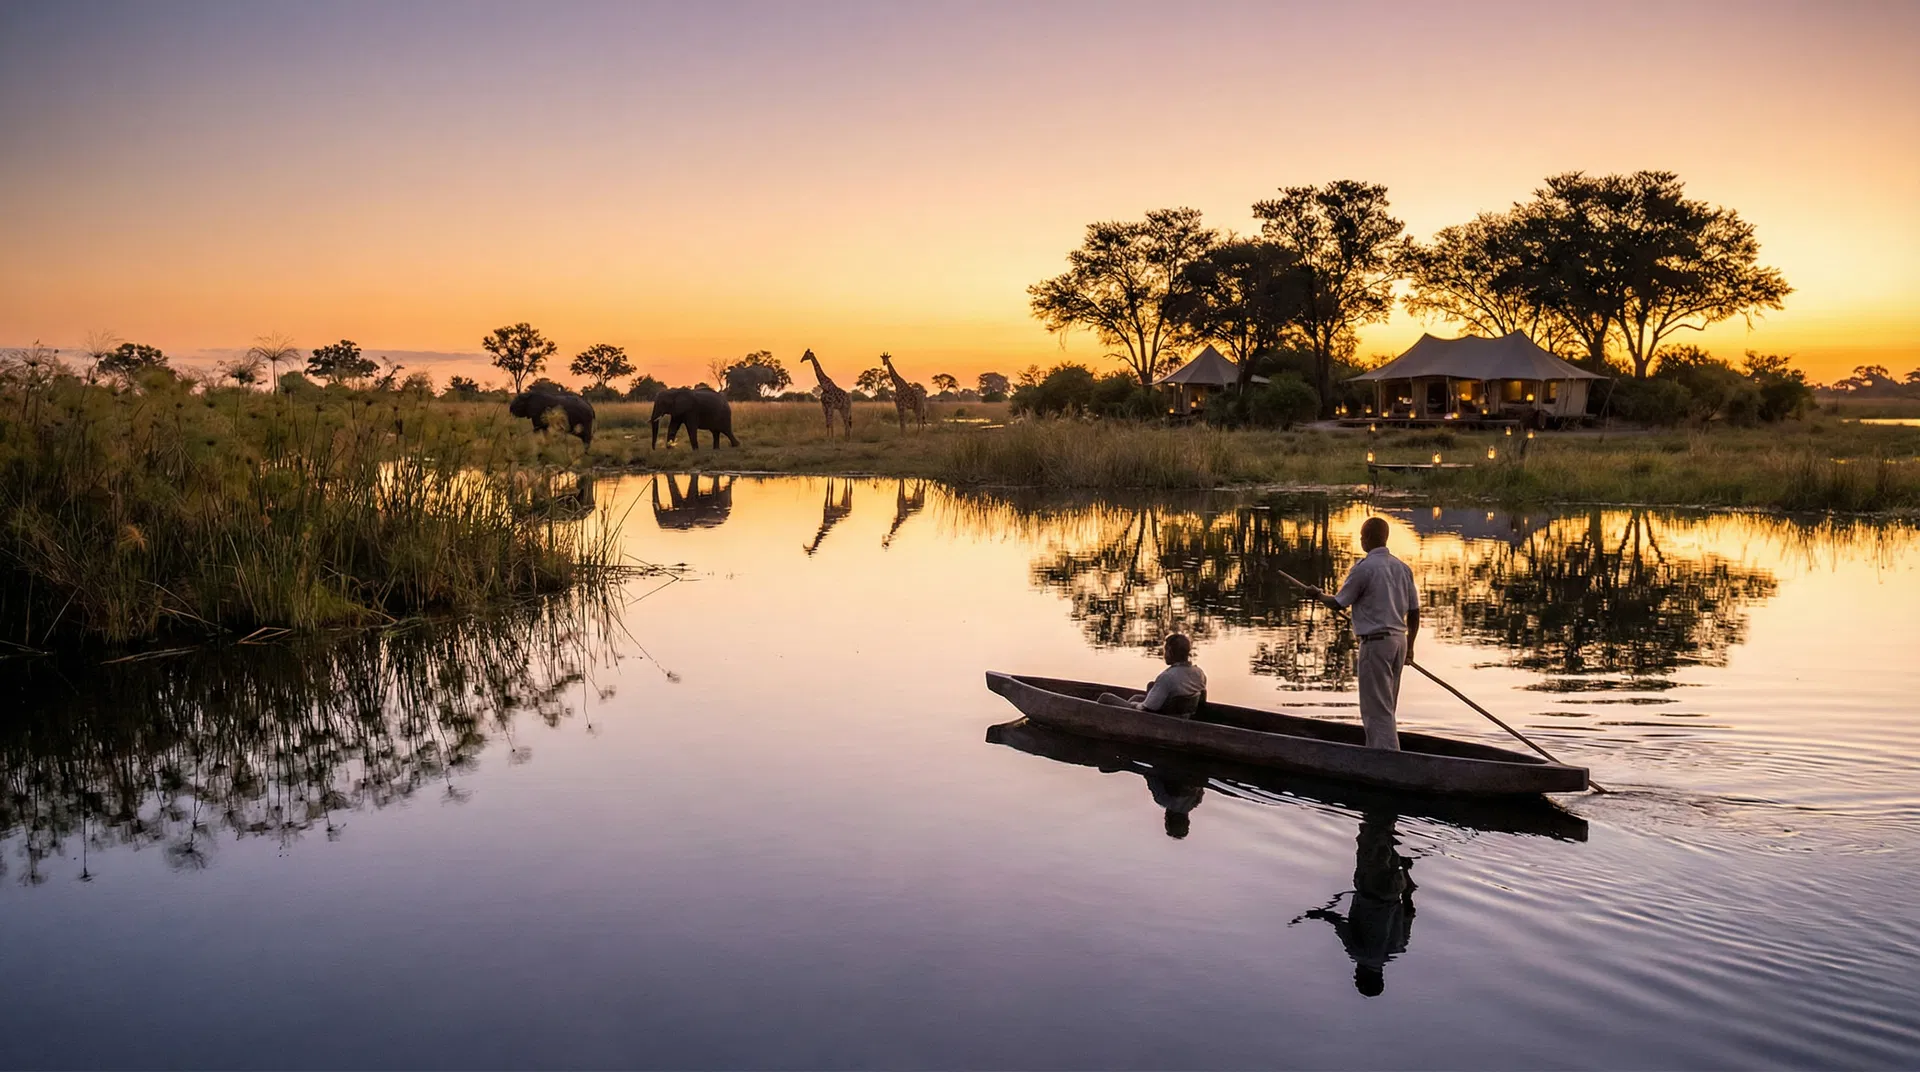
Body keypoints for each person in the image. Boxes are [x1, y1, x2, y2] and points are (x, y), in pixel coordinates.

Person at [1308, 517, 1419, 750]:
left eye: (1361, 536)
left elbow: (1338, 603)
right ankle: (1375, 750)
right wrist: (1410, 647)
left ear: (1367, 538)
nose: (1360, 541)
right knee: (1387, 706)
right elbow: (1414, 612)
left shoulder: (1364, 568)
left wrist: (1317, 595)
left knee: (1376, 710)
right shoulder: (1402, 568)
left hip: (1376, 644)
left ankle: (1386, 760)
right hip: (1399, 642)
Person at [1097, 633, 1207, 718]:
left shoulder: (1167, 677)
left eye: (1165, 650)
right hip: (1181, 715)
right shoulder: (1200, 673)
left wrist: (1135, 705)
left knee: (1105, 697)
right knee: (1136, 697)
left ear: (1170, 652)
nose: (1164, 654)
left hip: (1159, 719)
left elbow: (1147, 709)